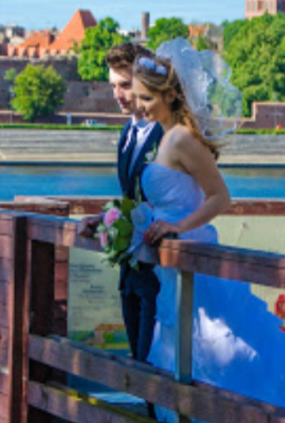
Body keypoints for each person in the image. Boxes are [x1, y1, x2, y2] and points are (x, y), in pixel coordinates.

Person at [132, 39, 285, 423]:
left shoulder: (183, 138)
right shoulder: (165, 137)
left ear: (168, 95)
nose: (139, 106)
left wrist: (177, 227)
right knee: (190, 357)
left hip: (194, 258)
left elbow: (220, 197)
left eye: (145, 98)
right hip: (172, 269)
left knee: (232, 356)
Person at [80, 42, 164, 371]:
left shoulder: (167, 131)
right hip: (131, 270)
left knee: (151, 369)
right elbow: (133, 198)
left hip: (160, 270)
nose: (118, 94)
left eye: (125, 85)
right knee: (137, 366)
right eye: (113, 85)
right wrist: (103, 219)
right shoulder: (128, 131)